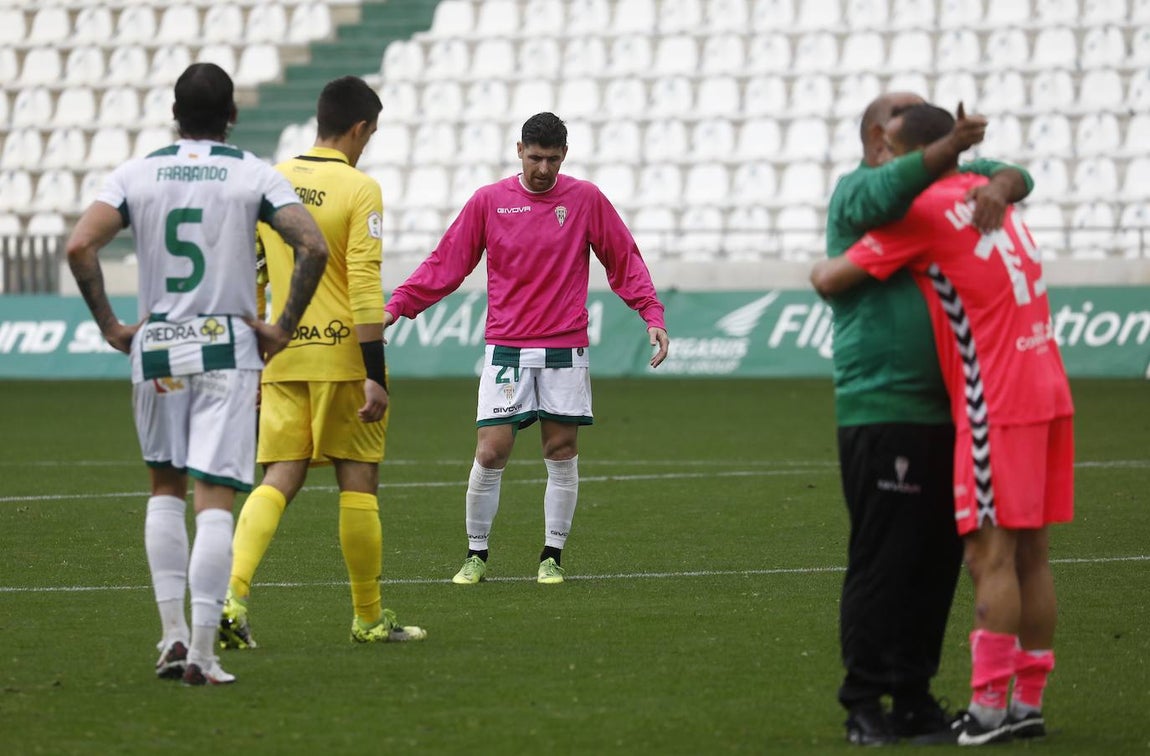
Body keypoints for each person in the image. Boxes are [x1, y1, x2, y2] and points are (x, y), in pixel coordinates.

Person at [812, 102, 1074, 746]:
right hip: (889, 407)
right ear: (879, 140)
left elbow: (1012, 173)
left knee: (950, 562)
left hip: (973, 408)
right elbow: (838, 269)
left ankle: (924, 697)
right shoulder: (864, 191)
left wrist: (997, 182)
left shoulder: (937, 197)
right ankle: (866, 700)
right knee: (890, 560)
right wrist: (972, 168)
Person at [64, 63, 329, 686]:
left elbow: (80, 246)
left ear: (174, 114)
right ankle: (206, 655)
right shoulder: (250, 172)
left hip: (157, 348)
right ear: (232, 115)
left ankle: (171, 639)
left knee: (165, 488)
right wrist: (283, 326)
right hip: (224, 347)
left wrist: (110, 326)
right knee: (214, 501)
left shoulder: (137, 173)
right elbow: (312, 244)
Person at [384, 112, 669, 585]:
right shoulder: (489, 202)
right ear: (519, 150)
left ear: (564, 156)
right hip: (507, 348)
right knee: (491, 451)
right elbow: (446, 264)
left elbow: (624, 259)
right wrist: (398, 306)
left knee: (561, 450)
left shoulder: (585, 199)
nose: (543, 168)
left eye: (552, 159)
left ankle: (551, 556)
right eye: (535, 157)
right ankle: (476, 554)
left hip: (564, 348)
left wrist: (651, 315)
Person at [218, 76, 426, 648]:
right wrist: (375, 375)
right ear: (359, 129)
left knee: (279, 477)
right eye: (371, 135)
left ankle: (231, 597)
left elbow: (254, 271)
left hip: (282, 352)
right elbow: (363, 283)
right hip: (343, 358)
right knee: (358, 481)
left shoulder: (272, 180)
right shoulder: (360, 188)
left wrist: (258, 357)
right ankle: (367, 618)